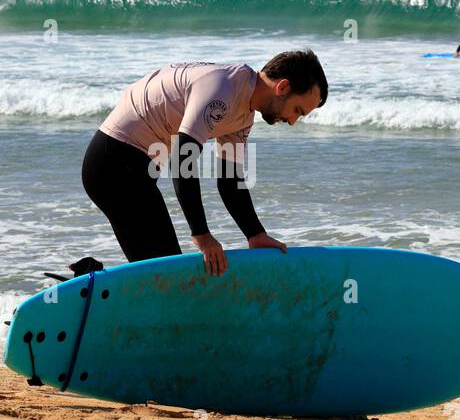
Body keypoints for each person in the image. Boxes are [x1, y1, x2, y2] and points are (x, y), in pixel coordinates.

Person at [81, 50, 328, 277]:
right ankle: (93, 288)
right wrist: (201, 234)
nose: (293, 121)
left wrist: (255, 234)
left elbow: (230, 179)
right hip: (113, 164)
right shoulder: (223, 90)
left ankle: (89, 277)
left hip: (131, 169)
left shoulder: (244, 112)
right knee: (165, 273)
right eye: (298, 110)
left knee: (161, 269)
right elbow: (182, 161)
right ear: (282, 87)